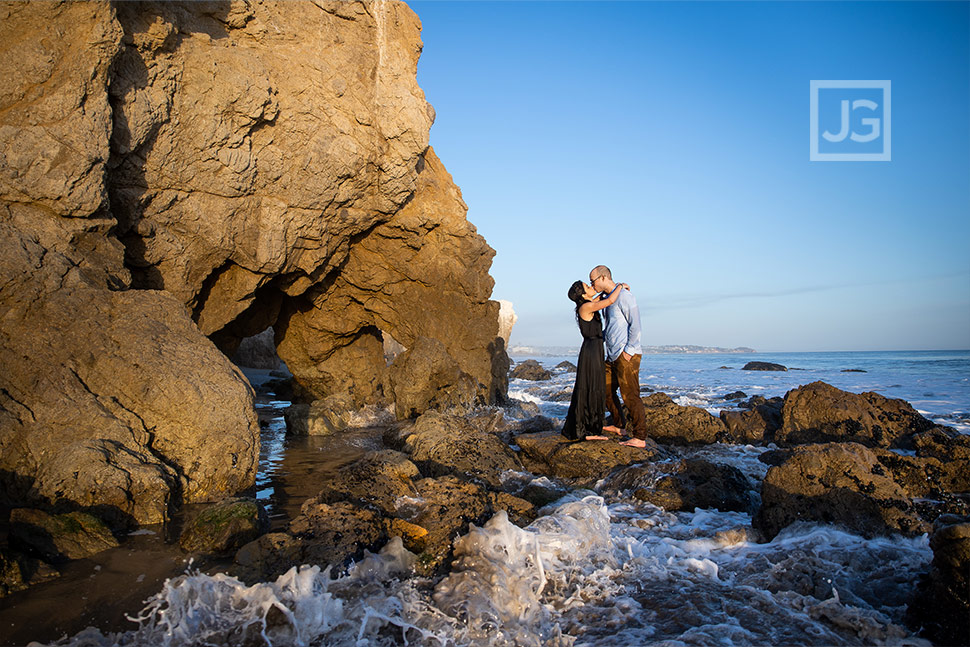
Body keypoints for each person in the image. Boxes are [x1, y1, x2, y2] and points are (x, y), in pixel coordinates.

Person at [589, 265, 649, 448]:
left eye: (593, 281)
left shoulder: (625, 296)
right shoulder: (610, 298)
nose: (592, 284)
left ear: (603, 278)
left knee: (630, 395)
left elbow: (635, 324)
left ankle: (640, 437)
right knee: (605, 390)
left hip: (626, 355)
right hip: (612, 355)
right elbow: (614, 327)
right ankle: (619, 425)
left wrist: (629, 350)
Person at [561, 279, 629, 441]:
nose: (591, 287)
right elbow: (610, 300)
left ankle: (591, 428)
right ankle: (587, 432)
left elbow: (602, 297)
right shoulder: (586, 307)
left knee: (594, 386)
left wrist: (611, 290)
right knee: (591, 387)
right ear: (583, 294)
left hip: (595, 348)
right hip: (591, 350)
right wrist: (619, 286)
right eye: (587, 286)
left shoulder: (588, 303)